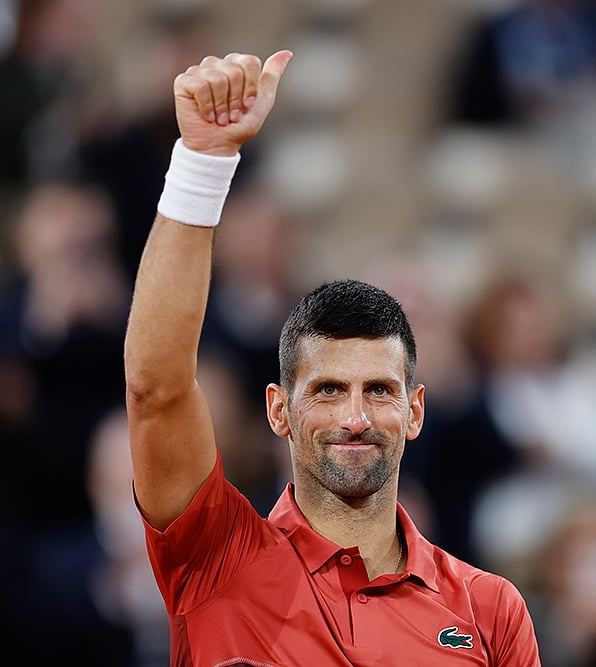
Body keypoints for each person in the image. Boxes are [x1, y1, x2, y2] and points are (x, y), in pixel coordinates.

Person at [124, 50, 541, 665]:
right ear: (278, 410)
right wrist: (203, 163)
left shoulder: (491, 610)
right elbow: (156, 389)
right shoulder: (214, 556)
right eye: (326, 391)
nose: (355, 417)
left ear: (416, 410)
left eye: (379, 390)